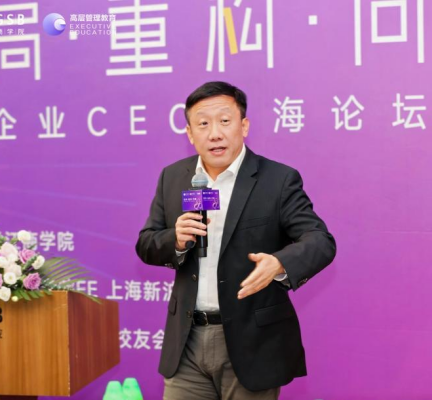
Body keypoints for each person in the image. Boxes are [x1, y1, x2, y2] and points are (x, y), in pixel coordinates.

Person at [136, 81, 336, 400]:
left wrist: (279, 263)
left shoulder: (277, 180)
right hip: (186, 341)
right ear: (190, 133)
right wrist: (176, 239)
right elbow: (146, 243)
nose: (215, 133)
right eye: (203, 124)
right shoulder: (173, 177)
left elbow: (320, 240)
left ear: (243, 126)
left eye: (225, 121)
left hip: (251, 342)